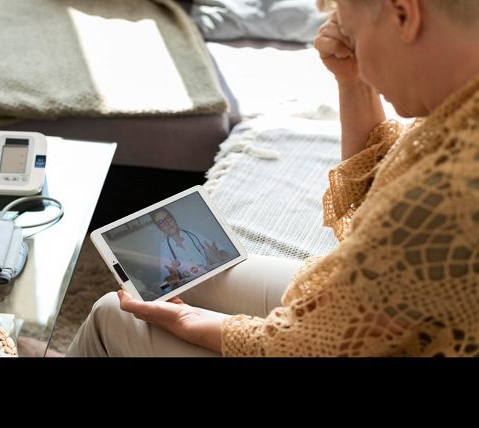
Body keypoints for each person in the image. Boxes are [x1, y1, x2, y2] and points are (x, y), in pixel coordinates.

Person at [67, 0, 479, 357]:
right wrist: (351, 80)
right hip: (389, 309)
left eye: (354, 35)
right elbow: (374, 192)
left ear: (404, 15)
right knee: (191, 279)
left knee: (110, 315)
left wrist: (190, 322)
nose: (360, 61)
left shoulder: (447, 188)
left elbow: (305, 344)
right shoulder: (458, 112)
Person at [150, 207, 232, 293]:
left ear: (173, 218)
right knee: (158, 287)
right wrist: (172, 278)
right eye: (161, 223)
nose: (167, 223)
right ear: (160, 228)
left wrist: (219, 254)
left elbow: (224, 253)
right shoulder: (164, 247)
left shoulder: (192, 234)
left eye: (167, 218)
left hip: (210, 276)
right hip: (193, 287)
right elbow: (164, 283)